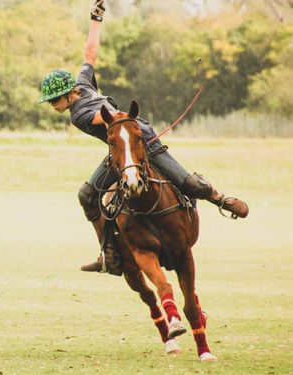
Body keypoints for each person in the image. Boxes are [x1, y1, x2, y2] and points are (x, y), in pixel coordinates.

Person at [38, 0, 249, 275]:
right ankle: (108, 252)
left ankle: (221, 199)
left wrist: (96, 18)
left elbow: (90, 53)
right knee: (88, 194)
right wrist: (126, 118)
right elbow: (108, 119)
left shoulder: (82, 89)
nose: (53, 105)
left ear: (69, 92)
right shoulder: (78, 114)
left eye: (55, 99)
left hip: (144, 140)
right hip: (121, 150)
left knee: (187, 182)